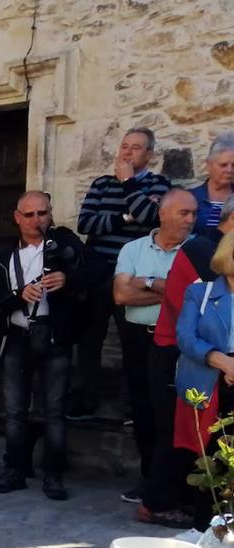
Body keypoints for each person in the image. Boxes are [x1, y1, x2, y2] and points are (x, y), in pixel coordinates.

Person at [0, 191, 89, 500]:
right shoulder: (3, 256)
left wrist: (67, 279)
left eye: (42, 213)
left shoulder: (65, 245)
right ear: (17, 217)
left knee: (54, 410)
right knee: (15, 409)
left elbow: (97, 273)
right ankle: (14, 469)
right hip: (18, 337)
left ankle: (53, 476)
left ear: (50, 214)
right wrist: (20, 296)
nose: (36, 220)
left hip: (54, 336)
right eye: (29, 215)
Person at [71, 127, 173, 421]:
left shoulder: (159, 185)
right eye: (125, 146)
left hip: (134, 277)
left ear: (150, 154)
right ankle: (87, 401)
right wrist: (128, 216)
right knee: (89, 339)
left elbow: (153, 218)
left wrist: (128, 183)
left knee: (135, 341)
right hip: (99, 272)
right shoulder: (101, 184)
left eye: (136, 148)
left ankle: (132, 406)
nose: (127, 152)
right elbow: (86, 223)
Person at [144, 197, 234, 528]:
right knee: (181, 433)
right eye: (184, 212)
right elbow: (198, 320)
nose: (190, 219)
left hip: (207, 357)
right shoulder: (204, 251)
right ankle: (159, 501)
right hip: (181, 353)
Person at [112, 188, 198, 504]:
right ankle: (149, 480)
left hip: (176, 342)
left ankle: (172, 485)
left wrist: (145, 282)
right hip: (137, 336)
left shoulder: (198, 251)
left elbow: (192, 297)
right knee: (142, 409)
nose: (190, 220)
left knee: (171, 414)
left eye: (193, 214)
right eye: (184, 213)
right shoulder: (133, 249)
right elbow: (121, 296)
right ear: (163, 213)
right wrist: (171, 290)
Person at [175, 231, 234, 525]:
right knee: (209, 455)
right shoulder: (200, 293)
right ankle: (206, 525)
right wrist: (221, 360)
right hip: (210, 379)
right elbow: (185, 337)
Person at [189, 133, 234, 233]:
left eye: (233, 165)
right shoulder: (191, 198)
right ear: (209, 165)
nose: (229, 170)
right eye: (223, 165)